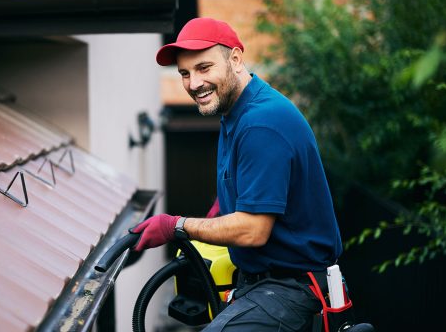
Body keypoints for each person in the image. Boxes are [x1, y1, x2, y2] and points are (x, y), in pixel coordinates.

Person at [132, 17, 343, 331]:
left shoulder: (261, 122)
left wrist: (177, 226)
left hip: (293, 289)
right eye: (185, 74)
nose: (193, 84)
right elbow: (246, 186)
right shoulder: (236, 112)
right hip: (263, 283)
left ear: (235, 59)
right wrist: (217, 212)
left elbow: (253, 231)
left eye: (204, 68)